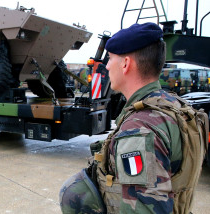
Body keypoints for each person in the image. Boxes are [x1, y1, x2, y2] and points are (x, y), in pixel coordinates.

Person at [60, 22, 206, 214]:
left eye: (110, 59)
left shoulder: (138, 131)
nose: (107, 66)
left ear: (126, 64)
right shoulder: (176, 106)